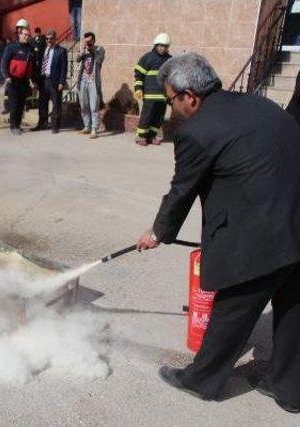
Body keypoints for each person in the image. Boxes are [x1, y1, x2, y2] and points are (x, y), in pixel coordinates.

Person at [136, 53, 300, 413]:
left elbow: (182, 190)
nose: (171, 108)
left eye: (170, 100)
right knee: (292, 309)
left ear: (189, 95)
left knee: (235, 306)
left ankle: (202, 380)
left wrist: (157, 233)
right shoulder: (262, 105)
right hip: (296, 223)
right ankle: (288, 389)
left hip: (264, 234)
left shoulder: (196, 131)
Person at [134, 33, 171, 145]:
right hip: (150, 94)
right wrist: (138, 88)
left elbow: (171, 78)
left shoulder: (170, 60)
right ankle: (141, 136)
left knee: (159, 117)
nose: (163, 48)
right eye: (160, 45)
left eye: (165, 46)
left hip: (163, 95)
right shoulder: (147, 57)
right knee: (147, 115)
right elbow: (139, 74)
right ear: (155, 45)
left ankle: (151, 136)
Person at [1, 19, 35, 135]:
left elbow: (32, 65)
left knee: (21, 105)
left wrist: (32, 79)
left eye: (28, 35)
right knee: (14, 105)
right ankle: (13, 127)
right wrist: (6, 76)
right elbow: (4, 64)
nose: (27, 37)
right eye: (25, 35)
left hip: (24, 81)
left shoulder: (30, 48)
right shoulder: (11, 47)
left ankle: (18, 125)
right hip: (13, 80)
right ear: (20, 34)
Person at [32, 30, 68, 134]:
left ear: (55, 39)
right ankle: (42, 124)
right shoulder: (43, 50)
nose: (49, 41)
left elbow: (64, 68)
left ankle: (55, 126)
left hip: (55, 81)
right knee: (42, 104)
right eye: (47, 39)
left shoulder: (61, 51)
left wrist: (62, 82)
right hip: (43, 80)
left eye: (51, 38)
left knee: (56, 104)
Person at [77, 32, 105, 139]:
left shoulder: (100, 50)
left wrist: (92, 49)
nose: (87, 43)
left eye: (89, 41)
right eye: (86, 41)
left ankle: (94, 129)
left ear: (94, 40)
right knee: (84, 106)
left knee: (94, 106)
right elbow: (77, 59)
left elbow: (99, 60)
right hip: (83, 81)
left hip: (93, 82)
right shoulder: (85, 50)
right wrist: (83, 51)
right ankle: (87, 126)